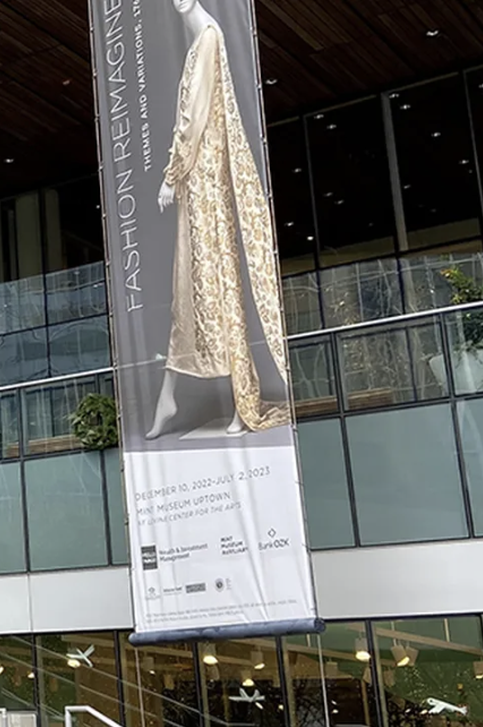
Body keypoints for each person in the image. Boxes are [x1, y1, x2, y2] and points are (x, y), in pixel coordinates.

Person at [143, 0, 292, 440]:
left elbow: (194, 113)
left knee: (216, 283)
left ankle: (239, 399)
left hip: (204, 179)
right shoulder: (199, 40)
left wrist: (173, 173)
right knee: (190, 286)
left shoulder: (207, 36)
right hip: (199, 181)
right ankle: (171, 393)